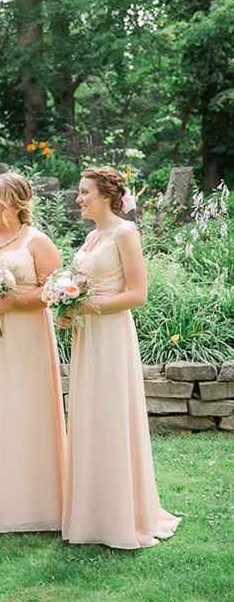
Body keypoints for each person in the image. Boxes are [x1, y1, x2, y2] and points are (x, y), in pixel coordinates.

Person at [57, 165, 181, 549]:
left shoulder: (125, 233)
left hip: (110, 336)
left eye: (84, 192)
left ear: (106, 196)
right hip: (87, 337)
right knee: (89, 416)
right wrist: (65, 306)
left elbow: (137, 294)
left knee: (111, 416)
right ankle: (91, 514)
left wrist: (85, 305)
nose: (78, 198)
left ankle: (121, 516)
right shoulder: (92, 236)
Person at [0, 172, 66, 532]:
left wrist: (11, 302)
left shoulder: (37, 241)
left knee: (21, 410)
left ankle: (29, 502)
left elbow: (57, 291)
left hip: (24, 339)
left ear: (17, 204)